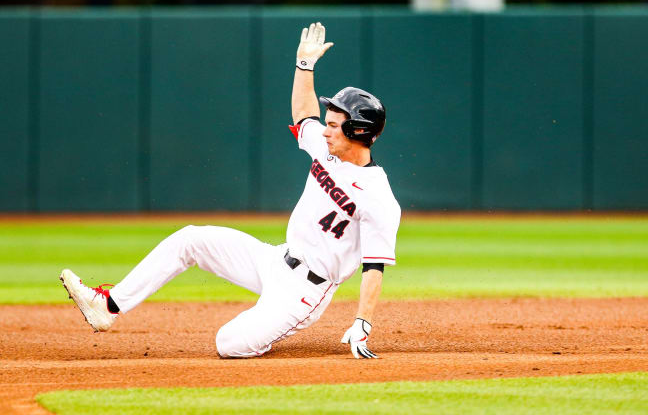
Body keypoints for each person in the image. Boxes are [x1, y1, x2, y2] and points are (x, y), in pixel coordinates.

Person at [60, 22, 401, 359]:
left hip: (305, 291)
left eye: (334, 124)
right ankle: (108, 305)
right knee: (189, 239)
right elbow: (303, 114)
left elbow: (374, 267)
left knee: (229, 344)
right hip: (274, 260)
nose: (325, 130)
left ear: (357, 132)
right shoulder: (327, 150)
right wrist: (304, 65)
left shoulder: (379, 197)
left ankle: (272, 323)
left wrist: (363, 322)